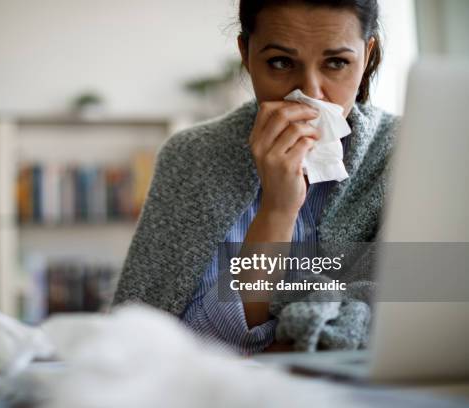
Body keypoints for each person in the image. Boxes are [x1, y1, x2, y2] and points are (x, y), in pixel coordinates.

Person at [113, 0, 399, 354]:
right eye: (281, 62)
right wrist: (278, 210)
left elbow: (417, 317)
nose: (310, 93)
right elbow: (159, 341)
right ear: (246, 54)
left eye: (336, 63)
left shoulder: (404, 155)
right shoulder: (193, 157)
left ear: (367, 55)